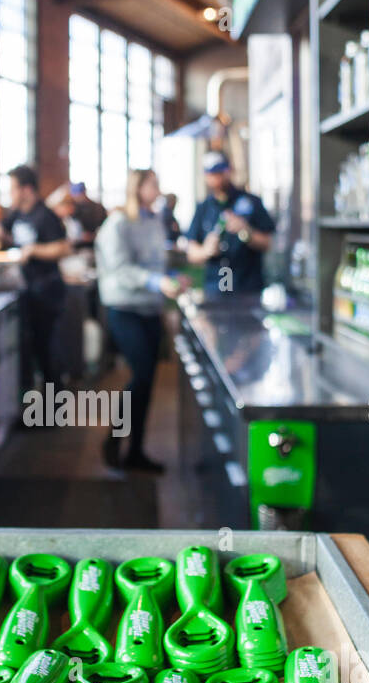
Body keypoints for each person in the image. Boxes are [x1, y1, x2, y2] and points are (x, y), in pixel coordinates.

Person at [94, 168, 182, 474]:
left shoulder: (154, 221)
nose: (158, 189)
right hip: (124, 309)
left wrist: (170, 278)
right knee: (141, 375)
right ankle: (114, 440)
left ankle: (135, 451)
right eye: (153, 184)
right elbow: (120, 270)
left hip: (149, 309)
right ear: (138, 187)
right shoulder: (118, 224)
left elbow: (158, 263)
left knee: (147, 382)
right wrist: (157, 282)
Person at [1, 164, 71, 388]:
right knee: (31, 350)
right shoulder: (16, 215)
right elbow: (1, 235)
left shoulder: (45, 216)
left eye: (13, 188)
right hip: (27, 290)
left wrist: (34, 250)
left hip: (47, 291)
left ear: (26, 189)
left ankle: (52, 412)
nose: (10, 194)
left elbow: (62, 248)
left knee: (48, 351)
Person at [186, 152, 275, 296]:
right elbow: (191, 253)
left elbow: (267, 243)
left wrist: (245, 231)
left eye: (220, 173)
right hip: (216, 287)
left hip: (247, 288)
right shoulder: (204, 208)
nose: (217, 179)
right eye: (212, 174)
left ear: (229, 171)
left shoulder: (251, 202)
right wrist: (206, 250)